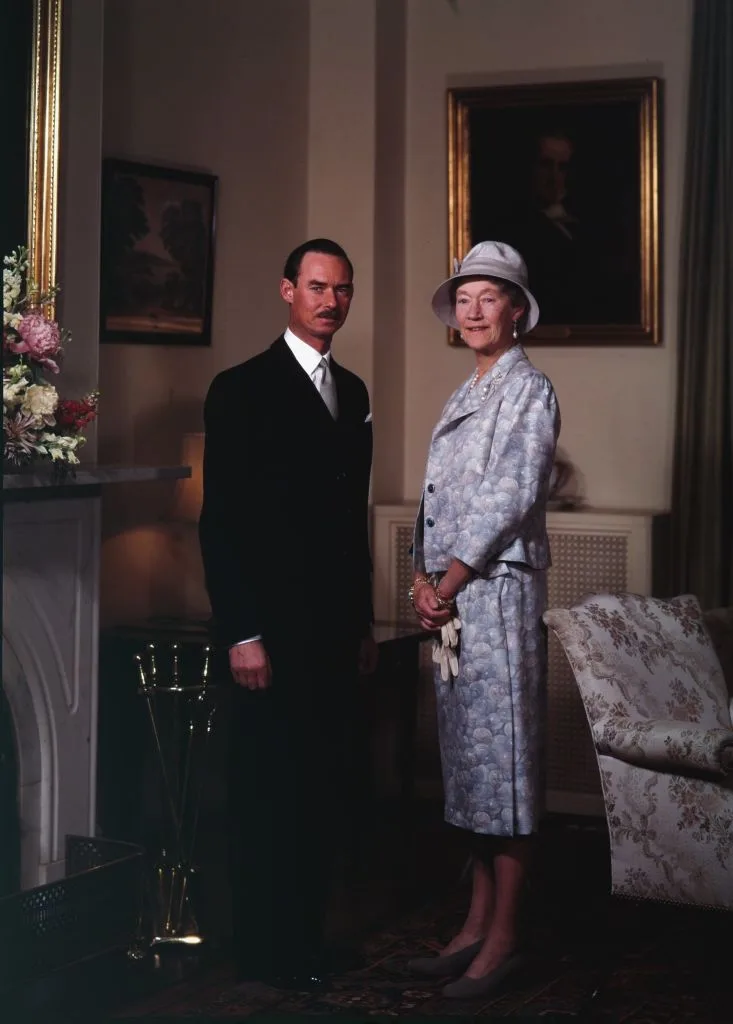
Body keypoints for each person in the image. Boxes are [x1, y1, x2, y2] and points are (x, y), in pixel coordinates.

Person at [199, 238, 378, 990]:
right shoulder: (240, 388)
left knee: (320, 790)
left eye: (340, 289)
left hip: (334, 631)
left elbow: (349, 520)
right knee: (265, 792)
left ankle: (304, 942)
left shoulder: (355, 391)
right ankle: (262, 951)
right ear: (286, 291)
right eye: (315, 286)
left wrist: (364, 622)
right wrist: (241, 632)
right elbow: (222, 519)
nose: (329, 300)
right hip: (267, 633)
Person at [407, 241, 560, 999]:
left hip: (494, 596)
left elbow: (507, 496)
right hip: (456, 598)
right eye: (463, 298)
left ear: (515, 311)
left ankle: (503, 938)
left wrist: (452, 578)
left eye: (488, 298)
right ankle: (472, 924)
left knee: (503, 770)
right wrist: (419, 576)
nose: (472, 311)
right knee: (470, 771)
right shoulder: (468, 385)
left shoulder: (528, 391)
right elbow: (437, 496)